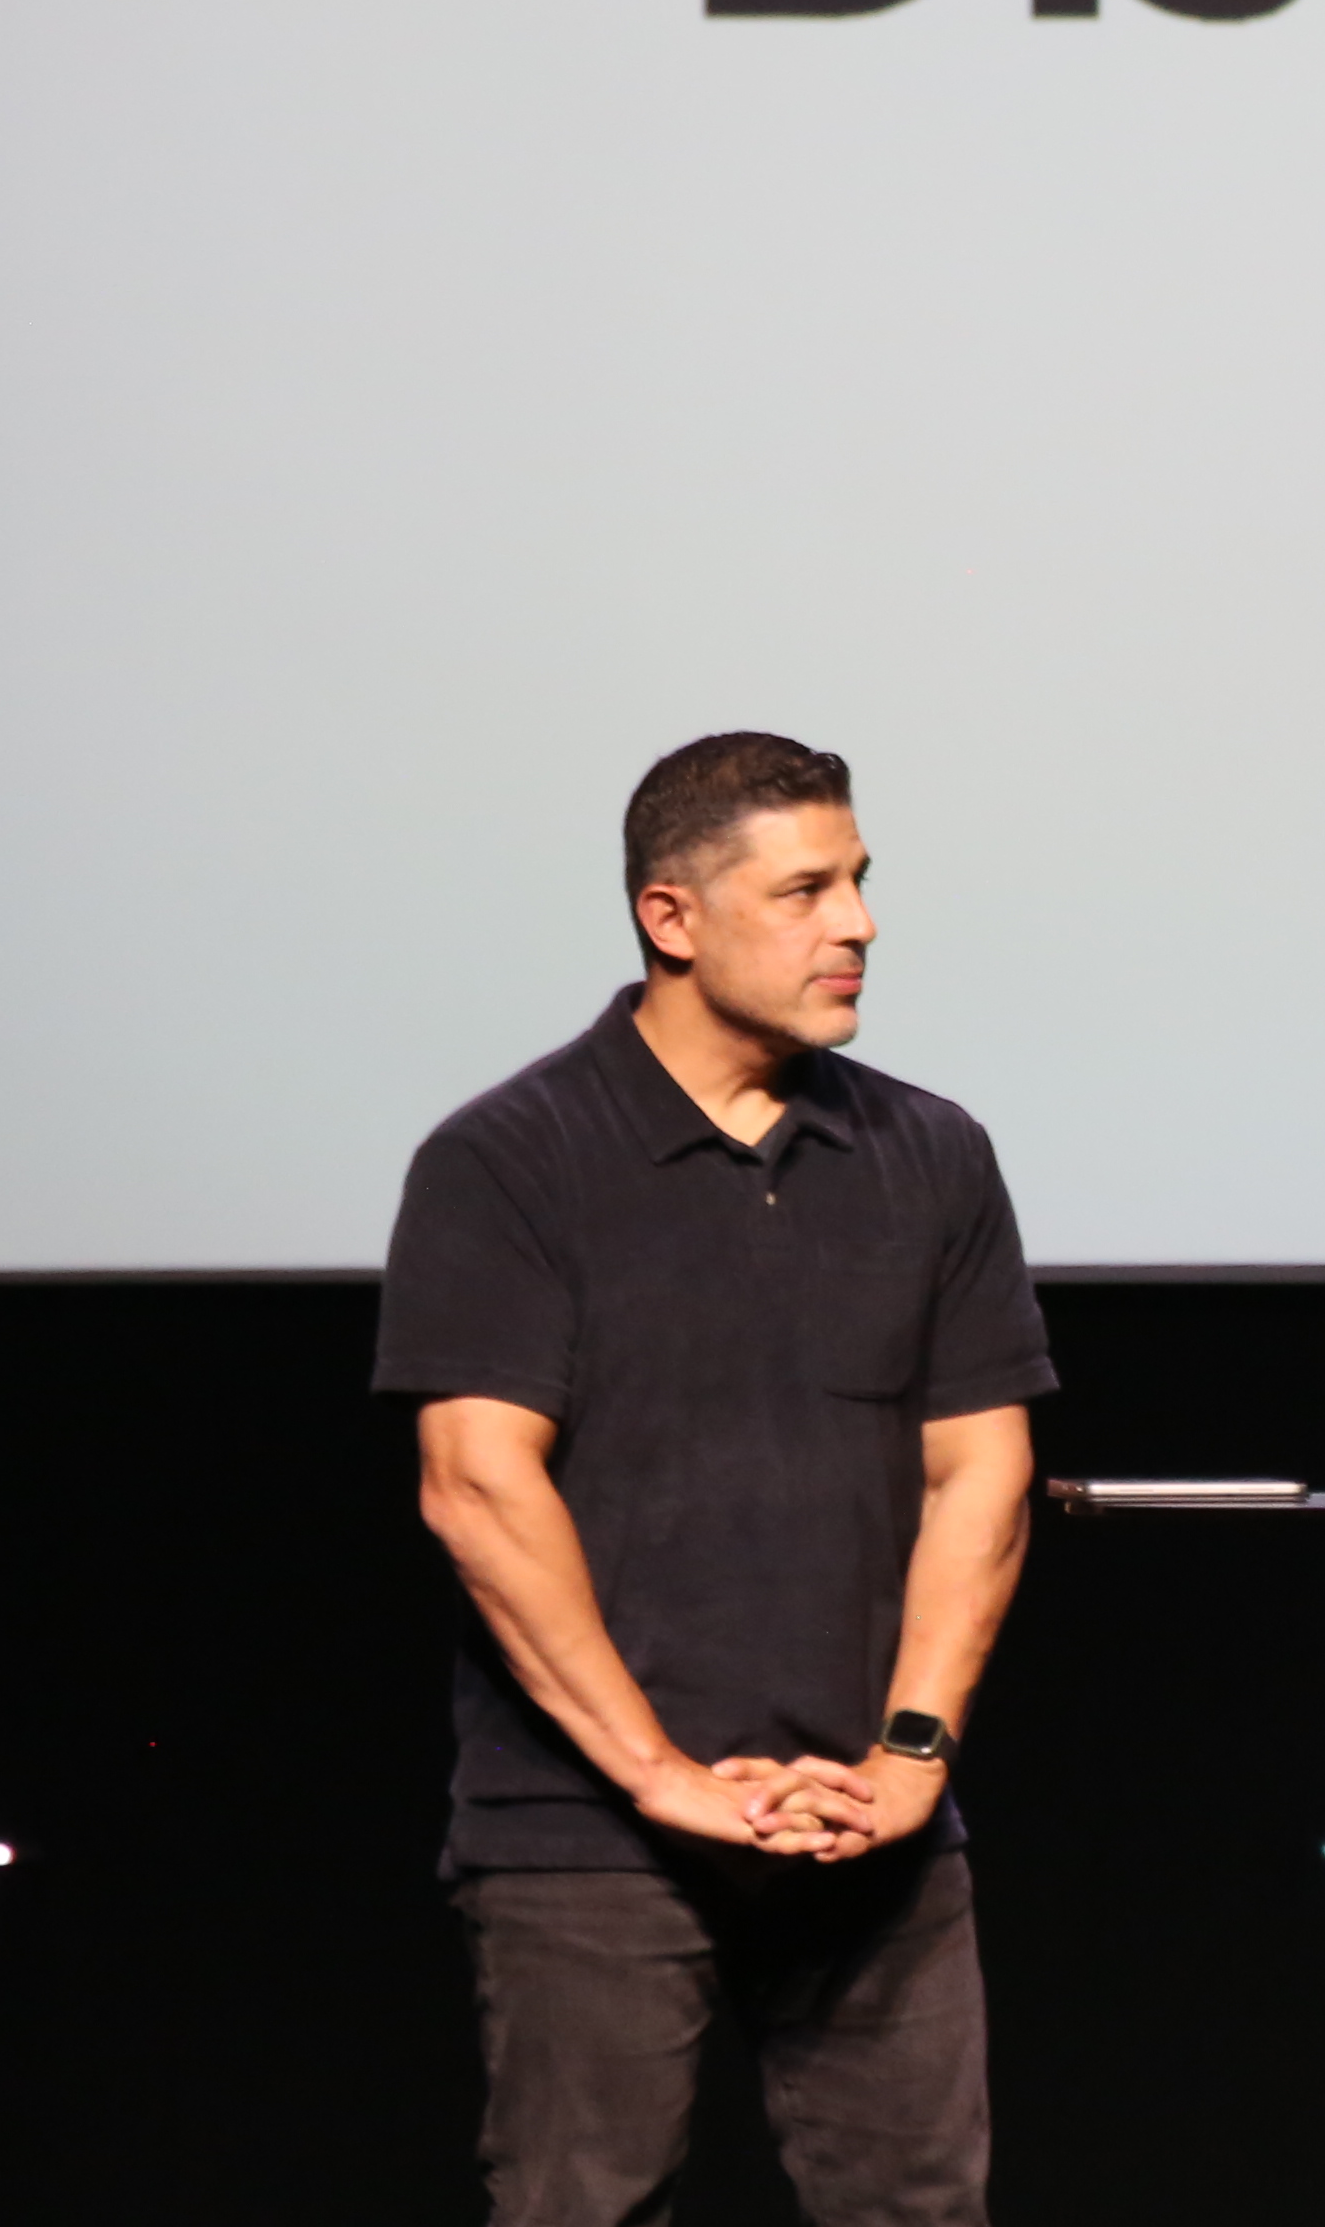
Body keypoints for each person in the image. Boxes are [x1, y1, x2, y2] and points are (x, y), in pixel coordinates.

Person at [377, 730, 1053, 2227]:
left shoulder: (931, 1154)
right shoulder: (510, 1159)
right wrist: (657, 1774)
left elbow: (983, 1477)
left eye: (859, 881)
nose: (859, 922)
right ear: (670, 918)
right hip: (589, 1834)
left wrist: (911, 1758)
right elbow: (476, 1488)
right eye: (806, 890)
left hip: (867, 1828)